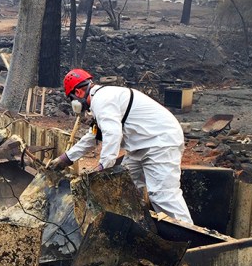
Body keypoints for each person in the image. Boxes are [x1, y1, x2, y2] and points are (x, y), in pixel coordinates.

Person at [50, 69, 193, 224]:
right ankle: (138, 229)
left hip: (161, 142)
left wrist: (103, 166)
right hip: (141, 146)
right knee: (124, 188)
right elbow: (94, 135)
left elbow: (112, 134)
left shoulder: (102, 100)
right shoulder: (103, 99)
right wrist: (67, 158)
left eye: (71, 98)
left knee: (162, 194)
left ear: (78, 92)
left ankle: (190, 238)